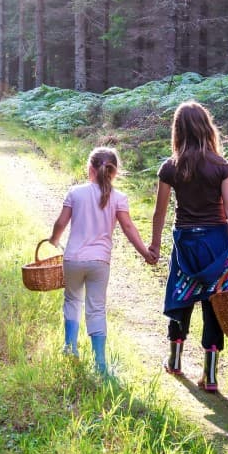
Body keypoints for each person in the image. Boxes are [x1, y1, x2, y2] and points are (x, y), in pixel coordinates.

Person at [148, 101, 228, 392]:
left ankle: (175, 360)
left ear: (178, 130)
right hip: (217, 243)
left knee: (181, 296)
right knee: (215, 302)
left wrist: (155, 246)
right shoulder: (221, 167)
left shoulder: (171, 167)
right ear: (207, 127)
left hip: (186, 244)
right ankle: (211, 375)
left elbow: (160, 212)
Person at [49, 147, 157, 374]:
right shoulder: (119, 198)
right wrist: (145, 253)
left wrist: (54, 239)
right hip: (100, 262)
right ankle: (100, 363)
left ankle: (70, 347)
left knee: (72, 300)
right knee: (96, 309)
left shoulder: (76, 192)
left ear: (90, 169)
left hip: (73, 259)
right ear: (114, 172)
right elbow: (129, 228)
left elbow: (61, 223)